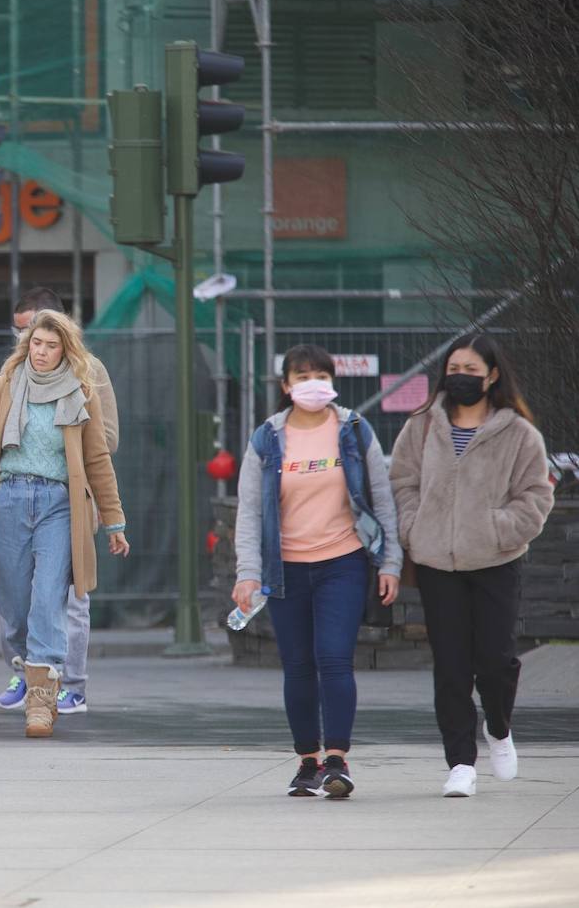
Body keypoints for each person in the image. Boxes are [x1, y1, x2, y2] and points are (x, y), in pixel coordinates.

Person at [232, 344, 402, 799]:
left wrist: (390, 562)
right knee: (298, 666)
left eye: (321, 375)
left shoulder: (354, 430)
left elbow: (381, 499)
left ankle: (337, 760)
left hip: (342, 562)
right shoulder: (266, 438)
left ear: (333, 382)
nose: (312, 383)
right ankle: (307, 761)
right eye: (301, 375)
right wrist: (247, 572)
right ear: (286, 386)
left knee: (333, 657)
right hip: (285, 568)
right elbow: (249, 512)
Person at [389, 333, 553, 798]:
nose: (459, 378)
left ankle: (499, 728)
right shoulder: (423, 425)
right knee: (452, 666)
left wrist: (499, 528)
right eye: (453, 370)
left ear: (492, 375)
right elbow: (402, 480)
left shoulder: (518, 433)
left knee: (497, 661)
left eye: (470, 371)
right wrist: (414, 526)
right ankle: (460, 763)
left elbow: (537, 496)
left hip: (496, 560)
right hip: (438, 560)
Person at [0, 310, 129, 739]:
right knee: (13, 604)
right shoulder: (6, 384)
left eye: (51, 345)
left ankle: (41, 700)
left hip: (59, 502)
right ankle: (31, 667)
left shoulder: (80, 390)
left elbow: (96, 459)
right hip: (9, 500)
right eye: (36, 343)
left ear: (65, 350)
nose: (41, 352)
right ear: (27, 344)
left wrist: (113, 522)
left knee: (49, 597)